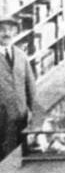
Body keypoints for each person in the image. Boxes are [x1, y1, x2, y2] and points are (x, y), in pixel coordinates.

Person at [0, 14, 37, 159]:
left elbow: (30, 85)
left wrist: (34, 111)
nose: (7, 33)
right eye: (2, 29)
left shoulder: (21, 55)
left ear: (16, 32)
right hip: (2, 118)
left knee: (21, 150)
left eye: (10, 29)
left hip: (21, 114)